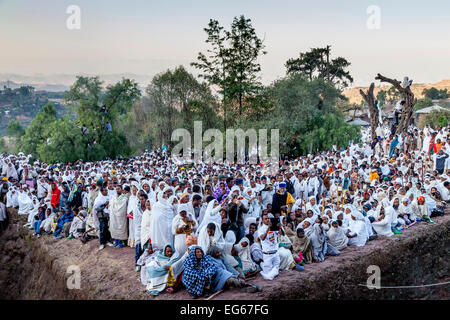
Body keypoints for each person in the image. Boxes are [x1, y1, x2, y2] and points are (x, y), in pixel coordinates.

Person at [257, 214, 280, 280]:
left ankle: (264, 268)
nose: (267, 220)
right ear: (263, 220)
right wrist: (268, 228)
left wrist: (280, 227)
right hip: (267, 254)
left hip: (275, 252)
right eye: (266, 219)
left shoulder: (273, 227)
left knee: (276, 270)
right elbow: (262, 238)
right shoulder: (261, 229)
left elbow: (281, 233)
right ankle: (264, 268)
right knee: (269, 275)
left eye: (268, 218)